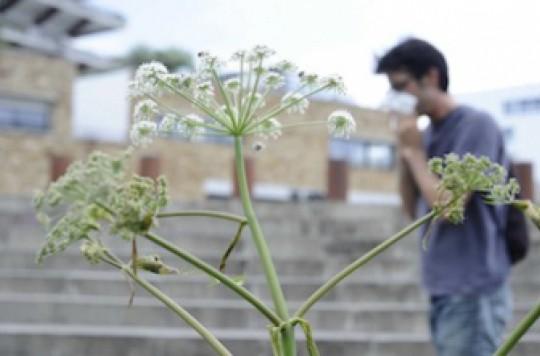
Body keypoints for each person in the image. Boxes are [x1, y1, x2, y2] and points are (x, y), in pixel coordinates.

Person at [375, 38, 512, 356]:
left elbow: (450, 208)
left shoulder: (477, 125)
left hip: (473, 289)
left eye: (401, 85)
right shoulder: (426, 135)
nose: (397, 97)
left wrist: (414, 151)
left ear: (432, 77)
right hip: (441, 286)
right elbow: (412, 210)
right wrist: (405, 150)